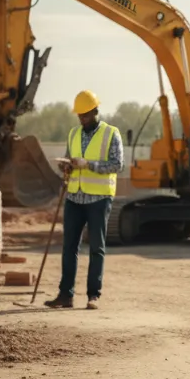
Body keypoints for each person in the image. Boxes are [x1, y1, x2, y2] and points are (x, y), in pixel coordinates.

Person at [45, 90, 123, 311]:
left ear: (95, 111)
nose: (82, 119)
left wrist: (87, 164)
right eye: (79, 116)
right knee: (69, 246)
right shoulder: (74, 134)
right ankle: (65, 294)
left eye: (86, 115)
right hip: (74, 197)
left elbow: (117, 165)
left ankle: (93, 295)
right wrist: (67, 166)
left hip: (99, 198)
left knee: (96, 247)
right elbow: (72, 160)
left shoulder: (111, 134)